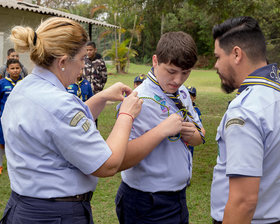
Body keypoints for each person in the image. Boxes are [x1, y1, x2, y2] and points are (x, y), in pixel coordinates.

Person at [0, 17, 142, 224]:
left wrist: (101, 97)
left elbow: (59, 125)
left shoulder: (23, 89)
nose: (83, 67)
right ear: (63, 62)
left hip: (24, 207)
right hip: (56, 215)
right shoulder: (59, 103)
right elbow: (107, 165)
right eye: (82, 58)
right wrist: (126, 115)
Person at [115, 31, 206, 224]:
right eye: (171, 71)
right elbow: (120, 159)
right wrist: (162, 131)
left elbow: (200, 135)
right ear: (155, 61)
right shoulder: (137, 99)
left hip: (177, 198)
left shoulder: (181, 93)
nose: (178, 80)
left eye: (186, 73)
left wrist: (193, 134)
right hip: (146, 202)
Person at [211, 16, 280, 223]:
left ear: (236, 54)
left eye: (217, 57)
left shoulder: (246, 110)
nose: (216, 65)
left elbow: (243, 201)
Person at [0, 58, 22, 175]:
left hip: (20, 118)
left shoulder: (24, 82)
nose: (15, 71)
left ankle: (16, 165)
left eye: (17, 68)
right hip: (5, 119)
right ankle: (0, 165)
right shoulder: (2, 83)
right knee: (3, 142)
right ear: (7, 69)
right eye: (12, 68)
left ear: (21, 69)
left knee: (18, 142)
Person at [186, 86, 202, 158]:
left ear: (194, 98)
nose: (188, 99)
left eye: (190, 96)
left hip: (190, 137)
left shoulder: (195, 111)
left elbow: (198, 127)